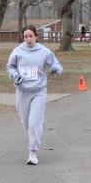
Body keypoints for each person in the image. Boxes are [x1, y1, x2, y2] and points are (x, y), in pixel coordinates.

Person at [6, 25, 62, 165]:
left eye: (31, 36)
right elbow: (10, 67)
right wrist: (15, 75)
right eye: (26, 36)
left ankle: (32, 153)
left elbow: (56, 65)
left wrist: (55, 69)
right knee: (27, 123)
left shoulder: (44, 51)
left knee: (33, 123)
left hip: (39, 91)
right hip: (22, 92)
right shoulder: (17, 51)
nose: (28, 39)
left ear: (36, 36)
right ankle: (37, 128)